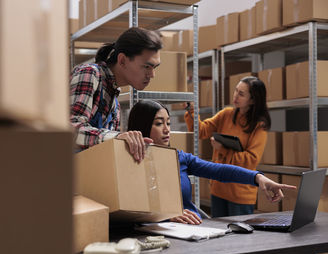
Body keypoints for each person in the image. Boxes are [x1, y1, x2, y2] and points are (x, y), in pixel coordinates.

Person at [128, 100, 295, 225]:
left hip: (193, 231)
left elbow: (219, 170)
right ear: (142, 125)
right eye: (159, 123)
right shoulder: (127, 161)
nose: (167, 129)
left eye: (168, 123)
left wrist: (258, 178)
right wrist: (163, 215)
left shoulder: (179, 157)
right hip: (158, 237)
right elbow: (127, 209)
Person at [70, 27, 163, 162]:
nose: (152, 75)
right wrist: (117, 137)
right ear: (122, 60)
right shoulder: (90, 74)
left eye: (155, 67)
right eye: (146, 66)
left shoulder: (114, 103)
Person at [184, 76, 271, 218]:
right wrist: (192, 111)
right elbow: (201, 131)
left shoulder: (259, 126)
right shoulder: (226, 114)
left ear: (253, 100)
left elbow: (251, 160)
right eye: (236, 91)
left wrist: (222, 149)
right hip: (218, 189)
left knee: (238, 239)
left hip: (240, 194)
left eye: (241, 94)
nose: (235, 96)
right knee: (221, 236)